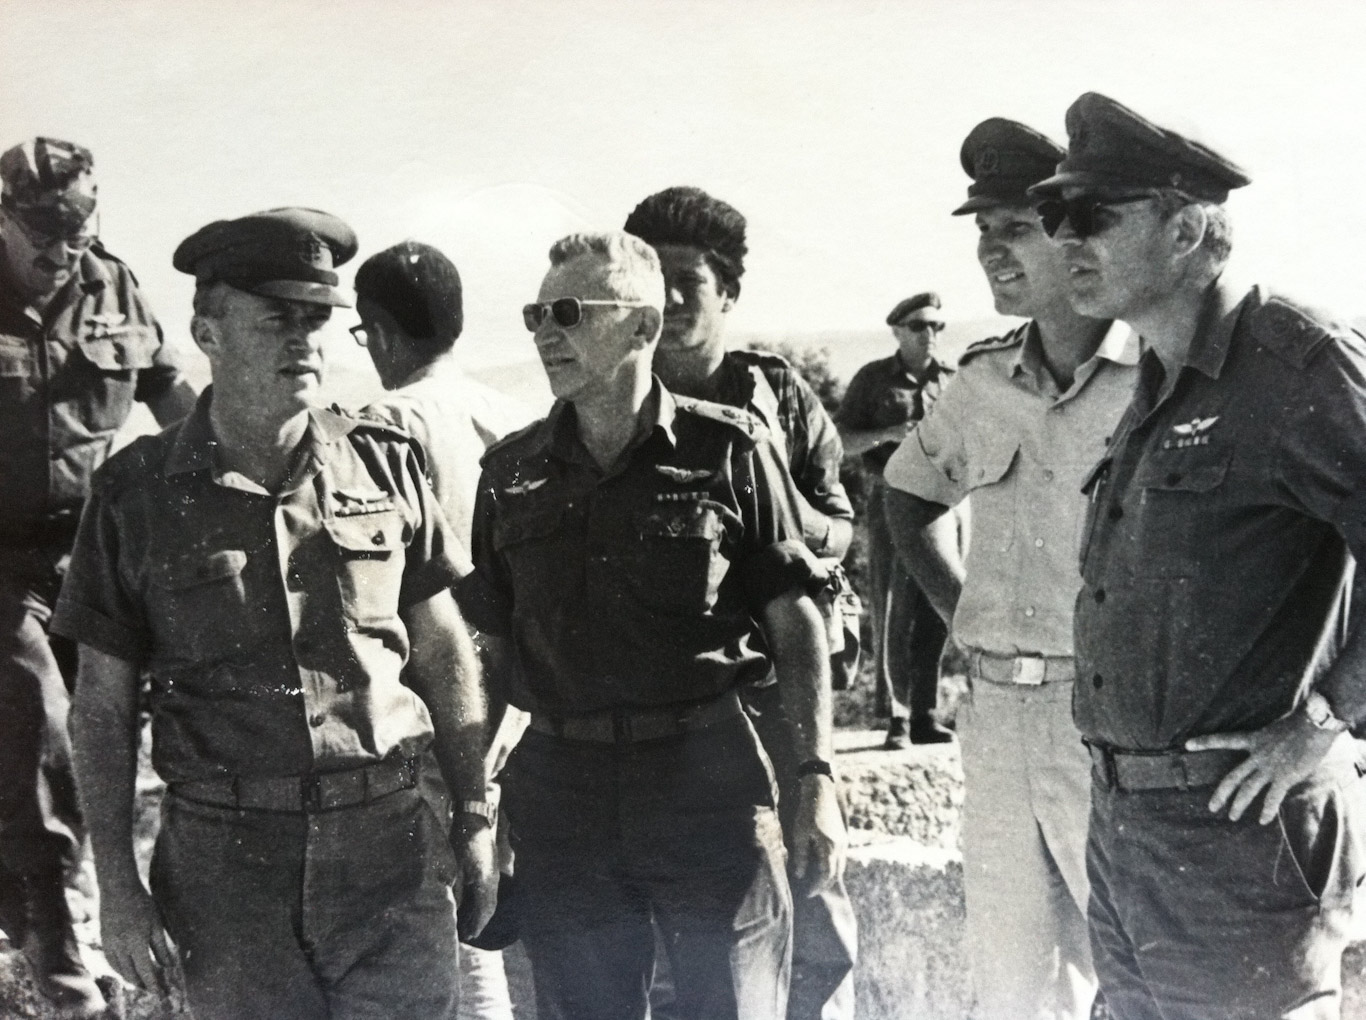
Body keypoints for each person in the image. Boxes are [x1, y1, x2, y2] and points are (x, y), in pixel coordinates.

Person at [52, 208, 498, 1020]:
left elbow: (442, 650)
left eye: (316, 320)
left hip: (389, 851)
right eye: (276, 319)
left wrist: (471, 813)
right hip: (229, 870)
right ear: (207, 334)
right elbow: (102, 709)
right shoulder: (134, 494)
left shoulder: (383, 462)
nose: (304, 341)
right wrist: (117, 885)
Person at [1030, 91, 1366, 1019]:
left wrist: (1328, 718)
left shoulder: (1297, 363)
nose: (1065, 240)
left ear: (1186, 232)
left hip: (1241, 840)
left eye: (1093, 216)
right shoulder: (1154, 382)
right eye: (1055, 217)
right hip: (1131, 831)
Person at [456, 231, 845, 1020]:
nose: (544, 333)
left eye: (568, 312)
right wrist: (473, 805)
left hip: (705, 781)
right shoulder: (511, 472)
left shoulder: (730, 449)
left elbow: (795, 619)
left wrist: (816, 777)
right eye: (534, 315)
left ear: (643, 326)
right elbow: (487, 651)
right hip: (562, 792)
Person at [882, 118, 1137, 1020]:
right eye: (982, 232)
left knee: (1135, 970)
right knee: (1011, 984)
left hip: (1111, 724)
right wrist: (963, 615)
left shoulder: (1154, 376)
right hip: (996, 721)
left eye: (1014, 230)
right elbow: (905, 499)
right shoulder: (980, 381)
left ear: (1073, 238)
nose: (991, 252)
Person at [622, 185, 857, 1020]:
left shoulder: (777, 395)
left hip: (781, 692)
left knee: (814, 907)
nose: (675, 301)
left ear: (729, 292)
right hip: (679, 705)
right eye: (659, 283)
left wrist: (773, 537)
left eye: (692, 281)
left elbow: (840, 523)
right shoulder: (618, 403)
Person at [0, 136, 196, 1016]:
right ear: (5, 214)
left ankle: (67, 922)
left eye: (80, 225)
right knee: (34, 720)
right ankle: (66, 969)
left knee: (96, 743)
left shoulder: (113, 286)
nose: (63, 247)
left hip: (89, 555)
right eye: (44, 228)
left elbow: (173, 399)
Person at [354, 239, 528, 1020]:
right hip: (524, 690)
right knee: (523, 907)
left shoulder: (384, 422)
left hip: (441, 701)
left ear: (382, 333)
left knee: (465, 920)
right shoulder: (509, 410)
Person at [836, 292, 955, 747]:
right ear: (898, 331)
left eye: (937, 327)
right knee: (894, 607)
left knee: (940, 606)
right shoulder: (873, 379)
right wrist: (888, 432)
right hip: (892, 501)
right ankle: (897, 718)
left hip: (943, 505)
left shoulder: (952, 378)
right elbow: (840, 440)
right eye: (920, 327)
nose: (930, 336)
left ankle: (926, 713)